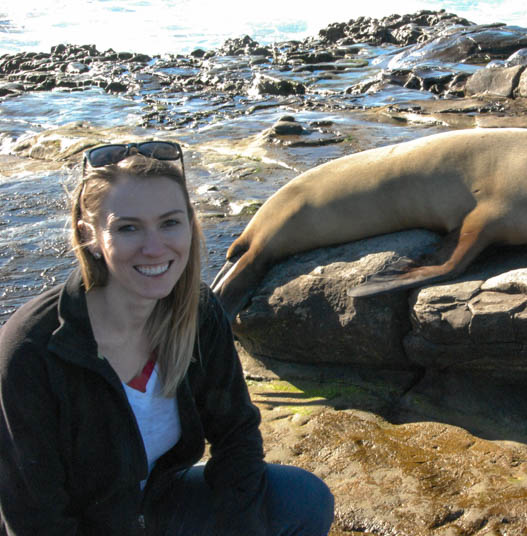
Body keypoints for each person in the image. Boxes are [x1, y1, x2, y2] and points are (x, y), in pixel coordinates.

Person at [0, 142, 334, 535]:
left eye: (170, 223)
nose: (155, 247)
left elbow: (235, 436)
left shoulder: (198, 313)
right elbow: (36, 519)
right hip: (81, 524)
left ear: (190, 223)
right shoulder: (31, 351)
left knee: (301, 499)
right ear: (89, 235)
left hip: (157, 504)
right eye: (128, 228)